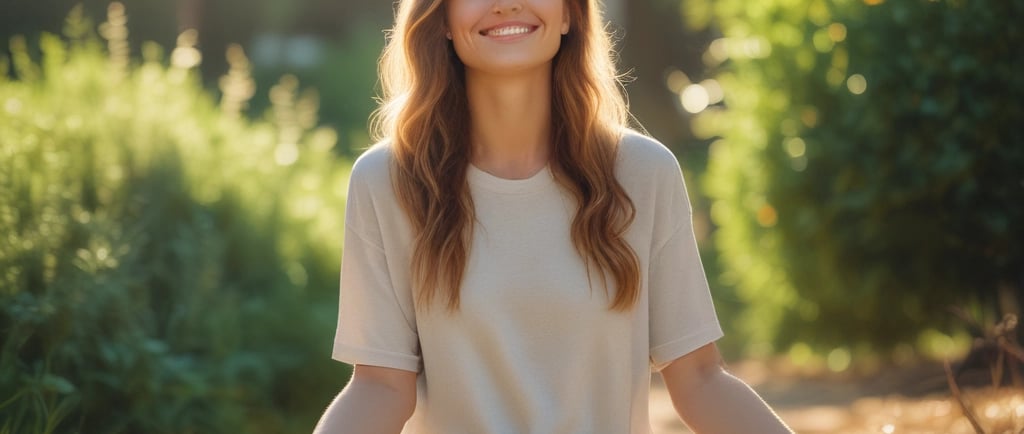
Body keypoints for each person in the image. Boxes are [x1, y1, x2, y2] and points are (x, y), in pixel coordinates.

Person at [314, 0, 793, 432]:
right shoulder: (386, 182)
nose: (506, 5)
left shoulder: (644, 174)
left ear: (569, 13)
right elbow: (379, 385)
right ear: (441, 17)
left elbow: (700, 379)